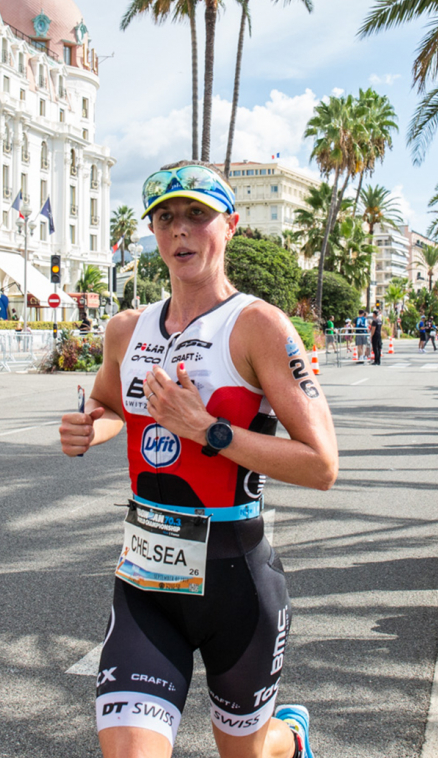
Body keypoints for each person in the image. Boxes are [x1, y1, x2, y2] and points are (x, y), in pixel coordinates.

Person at [59, 160, 338, 758]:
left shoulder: (258, 325)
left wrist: (208, 431)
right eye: (165, 218)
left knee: (248, 752)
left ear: (230, 225)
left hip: (237, 580)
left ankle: (288, 739)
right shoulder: (126, 329)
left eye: (197, 215)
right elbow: (110, 405)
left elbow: (321, 464)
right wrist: (89, 427)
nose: (180, 230)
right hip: (145, 580)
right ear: (154, 233)